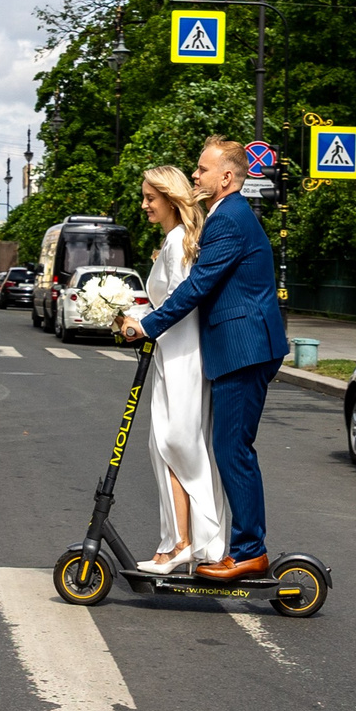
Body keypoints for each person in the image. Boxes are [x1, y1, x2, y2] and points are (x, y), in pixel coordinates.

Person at [120, 138, 289, 580]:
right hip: (240, 347)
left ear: (227, 177)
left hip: (244, 347)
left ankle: (250, 550)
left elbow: (198, 288)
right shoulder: (224, 216)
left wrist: (148, 325)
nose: (195, 175)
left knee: (233, 450)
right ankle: (240, 546)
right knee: (230, 448)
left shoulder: (229, 219)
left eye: (202, 169)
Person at [135, 165, 228, 575]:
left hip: (182, 355)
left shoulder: (177, 243)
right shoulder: (175, 241)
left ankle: (185, 543)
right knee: (168, 445)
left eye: (149, 198)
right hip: (171, 352)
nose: (144, 206)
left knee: (176, 443)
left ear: (170, 199)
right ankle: (178, 541)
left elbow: (179, 302)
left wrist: (142, 323)